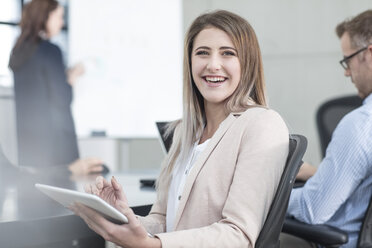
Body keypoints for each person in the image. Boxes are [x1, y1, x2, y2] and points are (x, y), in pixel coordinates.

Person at [71, 10, 289, 247]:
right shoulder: (184, 132)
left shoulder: (261, 124)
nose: (213, 65)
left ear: (247, 63)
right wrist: (121, 217)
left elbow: (238, 235)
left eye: (228, 53)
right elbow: (164, 220)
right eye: (202, 53)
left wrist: (151, 245)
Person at [282, 10, 372, 248]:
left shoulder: (361, 124)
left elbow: (313, 210)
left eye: (348, 60)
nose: (346, 71)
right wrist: (318, 175)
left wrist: (271, 193)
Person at [8, 0, 103, 175]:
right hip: (57, 146)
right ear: (45, 17)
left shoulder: (18, 51)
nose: (62, 22)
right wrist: (72, 76)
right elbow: (63, 98)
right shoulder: (50, 51)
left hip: (30, 144)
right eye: (59, 16)